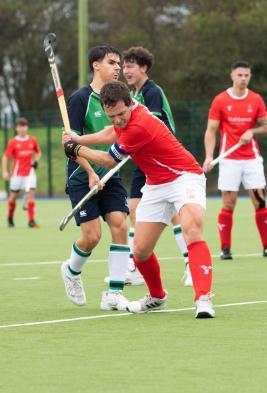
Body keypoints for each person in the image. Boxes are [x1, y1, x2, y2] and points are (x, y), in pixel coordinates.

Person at [64, 81, 215, 318]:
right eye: (111, 115)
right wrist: (78, 138)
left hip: (184, 177)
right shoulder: (124, 118)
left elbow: (108, 161)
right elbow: (110, 132)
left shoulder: (140, 125)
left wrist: (76, 150)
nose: (117, 120)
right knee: (141, 250)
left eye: (121, 114)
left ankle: (203, 299)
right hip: (155, 184)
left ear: (130, 104)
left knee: (192, 229)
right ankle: (157, 297)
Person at [61, 45, 130, 311]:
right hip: (82, 176)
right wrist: (90, 173)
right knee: (92, 237)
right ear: (95, 65)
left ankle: (114, 292)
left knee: (120, 225)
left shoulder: (119, 97)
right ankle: (71, 271)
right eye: (112, 62)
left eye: (119, 64)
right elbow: (70, 146)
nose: (117, 68)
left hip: (111, 174)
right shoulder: (80, 99)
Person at [122, 46, 192, 286]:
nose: (125, 70)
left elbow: (152, 126)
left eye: (130, 65)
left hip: (162, 159)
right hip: (143, 160)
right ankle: (135, 266)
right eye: (124, 65)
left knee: (173, 214)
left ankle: (190, 262)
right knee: (133, 209)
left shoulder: (153, 92)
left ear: (144, 67)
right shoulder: (133, 95)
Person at [203, 60, 267, 260]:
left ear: (250, 77)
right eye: (239, 75)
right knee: (228, 204)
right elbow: (211, 130)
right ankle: (225, 249)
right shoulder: (220, 100)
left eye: (247, 75)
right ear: (232, 76)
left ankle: (266, 246)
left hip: (252, 159)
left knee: (260, 202)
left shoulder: (256, 100)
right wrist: (209, 156)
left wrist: (252, 131)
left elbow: (265, 126)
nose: (243, 79)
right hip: (229, 159)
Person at [2, 117, 41, 228]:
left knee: (31, 197)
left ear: (27, 127)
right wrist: (5, 171)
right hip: (17, 174)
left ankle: (31, 220)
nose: (22, 128)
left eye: (24, 126)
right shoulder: (13, 142)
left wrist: (36, 161)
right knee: (12, 197)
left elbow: (38, 153)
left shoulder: (32, 140)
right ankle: (10, 217)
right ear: (16, 128)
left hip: (30, 174)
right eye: (20, 126)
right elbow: (5, 157)